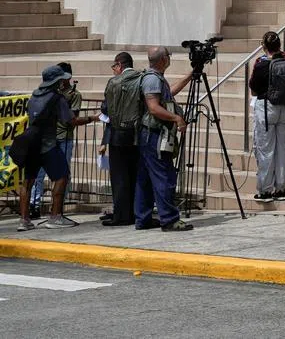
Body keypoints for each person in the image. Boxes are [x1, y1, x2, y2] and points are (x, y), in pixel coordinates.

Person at [18, 64, 98, 231]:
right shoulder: (57, 99)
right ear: (56, 81)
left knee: (28, 182)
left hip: (32, 145)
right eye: (61, 79)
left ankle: (24, 220)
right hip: (48, 145)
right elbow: (70, 121)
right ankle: (55, 217)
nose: (63, 82)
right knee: (62, 177)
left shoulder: (33, 96)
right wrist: (93, 118)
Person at [135, 46, 194, 232]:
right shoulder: (152, 79)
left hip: (150, 135)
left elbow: (167, 94)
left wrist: (189, 77)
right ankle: (169, 219)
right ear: (162, 60)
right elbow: (153, 107)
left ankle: (143, 218)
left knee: (145, 179)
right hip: (154, 135)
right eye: (168, 56)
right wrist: (176, 118)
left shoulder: (155, 78)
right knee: (164, 176)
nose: (169, 58)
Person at [248, 30, 285, 202]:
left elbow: (254, 88)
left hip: (267, 107)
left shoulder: (261, 63)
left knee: (266, 150)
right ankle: (281, 189)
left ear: (264, 46)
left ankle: (264, 190)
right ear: (279, 45)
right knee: (283, 149)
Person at [30, 62, 82, 217]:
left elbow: (72, 118)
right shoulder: (47, 95)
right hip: (48, 138)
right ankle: (35, 205)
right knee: (39, 174)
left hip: (64, 137)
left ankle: (59, 207)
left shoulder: (74, 95)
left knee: (63, 174)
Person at [101, 51, 144, 227]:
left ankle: (121, 215)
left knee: (119, 178)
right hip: (137, 135)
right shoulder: (142, 79)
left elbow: (105, 109)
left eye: (114, 67)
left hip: (118, 136)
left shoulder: (113, 83)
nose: (114, 71)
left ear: (119, 65)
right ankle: (136, 212)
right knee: (135, 175)